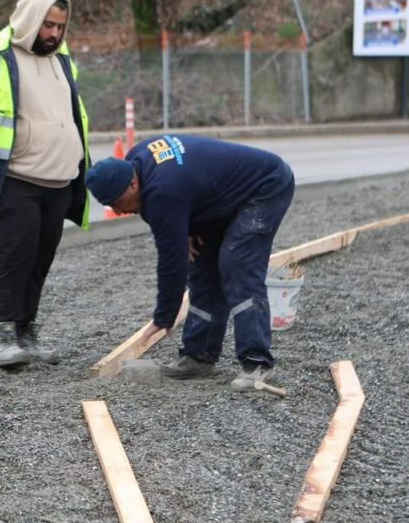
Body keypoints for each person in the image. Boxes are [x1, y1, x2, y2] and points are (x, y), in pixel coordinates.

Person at [0, 0, 91, 367]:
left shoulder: (62, 62)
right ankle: (3, 336)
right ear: (29, 19)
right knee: (13, 256)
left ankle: (26, 331)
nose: (55, 33)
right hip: (13, 179)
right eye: (48, 25)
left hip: (59, 182)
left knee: (40, 260)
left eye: (60, 26)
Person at [84, 135, 294, 389]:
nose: (118, 212)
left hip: (265, 185)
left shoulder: (161, 193)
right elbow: (190, 188)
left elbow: (171, 264)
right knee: (203, 264)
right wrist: (186, 226)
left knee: (238, 263)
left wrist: (164, 317)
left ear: (132, 184)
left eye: (117, 203)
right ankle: (199, 356)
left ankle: (257, 362)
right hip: (225, 195)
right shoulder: (134, 162)